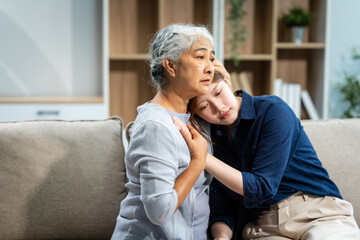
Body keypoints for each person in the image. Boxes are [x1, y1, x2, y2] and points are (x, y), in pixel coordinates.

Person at [173, 60, 360, 240]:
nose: (219, 107)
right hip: (267, 227)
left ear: (227, 81)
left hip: (317, 213)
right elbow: (223, 206)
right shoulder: (212, 140)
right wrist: (222, 236)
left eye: (218, 92)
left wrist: (202, 156)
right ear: (195, 115)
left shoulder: (273, 111)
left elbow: (262, 187)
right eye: (204, 106)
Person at [111, 23, 215, 240]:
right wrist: (197, 162)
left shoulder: (194, 119)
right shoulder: (156, 126)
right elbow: (159, 211)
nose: (209, 68)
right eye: (200, 57)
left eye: (212, 59)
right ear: (171, 65)